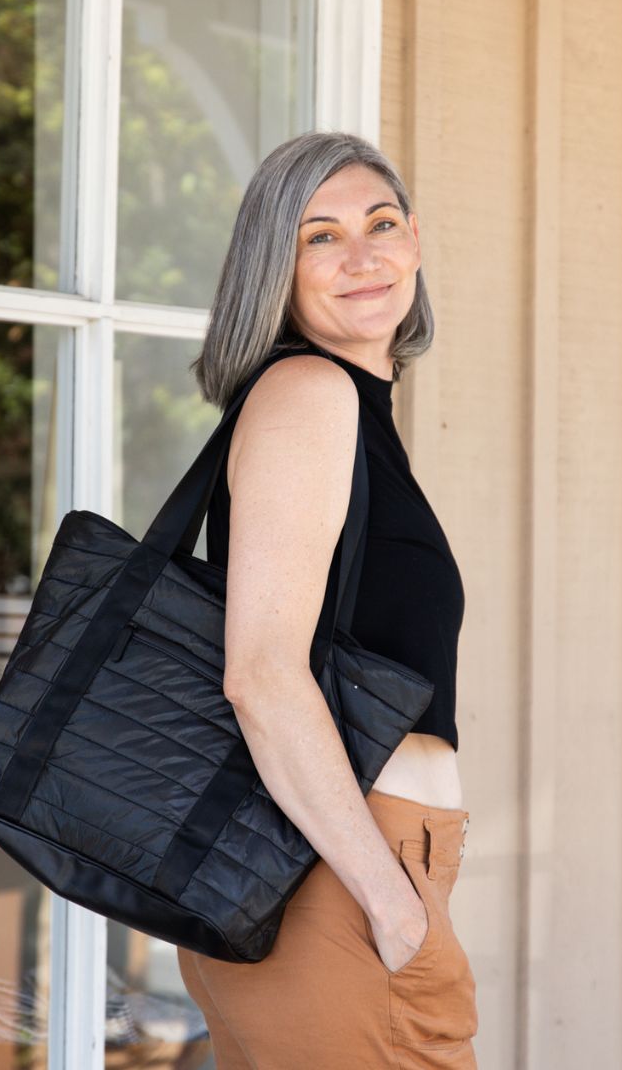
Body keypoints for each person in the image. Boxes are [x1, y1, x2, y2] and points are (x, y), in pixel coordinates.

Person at [179, 131, 478, 1069]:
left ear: (417, 241)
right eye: (320, 237)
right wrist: (393, 907)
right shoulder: (309, 391)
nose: (363, 255)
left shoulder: (352, 407)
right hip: (338, 886)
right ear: (278, 266)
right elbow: (262, 677)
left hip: (347, 876)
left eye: (381, 223)